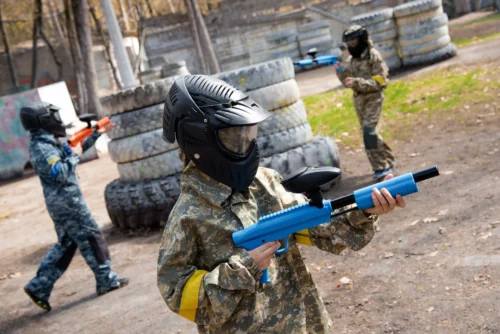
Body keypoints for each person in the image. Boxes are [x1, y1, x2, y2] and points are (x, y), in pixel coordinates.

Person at [157, 75, 406, 333]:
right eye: (234, 137)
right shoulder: (188, 216)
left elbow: (317, 225)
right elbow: (177, 294)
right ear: (200, 140)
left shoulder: (264, 183)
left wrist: (364, 210)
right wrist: (245, 268)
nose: (247, 145)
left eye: (249, 134)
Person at [20, 102, 128, 312]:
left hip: (63, 203)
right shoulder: (42, 147)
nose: (57, 119)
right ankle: (106, 280)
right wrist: (74, 154)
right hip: (68, 204)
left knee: (67, 244)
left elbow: (74, 147)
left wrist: (96, 133)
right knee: (92, 237)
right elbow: (59, 172)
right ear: (43, 120)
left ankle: (39, 286)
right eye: (53, 116)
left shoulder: (47, 142)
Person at [333, 25, 395, 180]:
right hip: (359, 100)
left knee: (369, 132)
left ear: (361, 39)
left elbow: (380, 82)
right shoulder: (351, 60)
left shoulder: (374, 56)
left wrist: (357, 82)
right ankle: (388, 159)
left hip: (374, 98)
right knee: (370, 133)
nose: (352, 45)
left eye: (354, 41)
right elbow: (348, 80)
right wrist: (340, 71)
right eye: (349, 42)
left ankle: (381, 167)